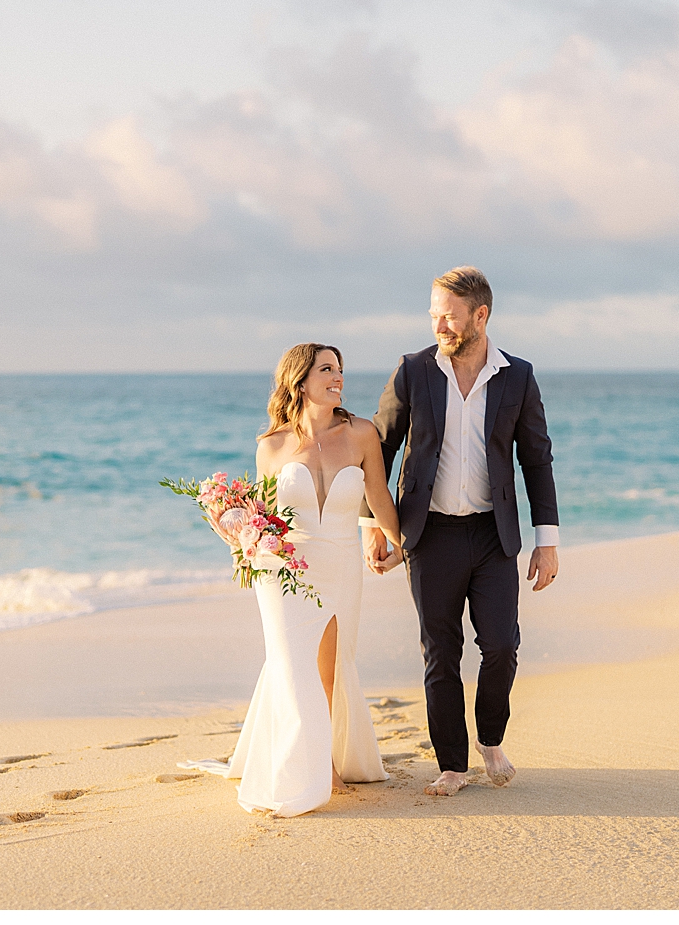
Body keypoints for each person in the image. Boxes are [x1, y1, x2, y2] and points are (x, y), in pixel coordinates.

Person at [361, 267, 560, 796]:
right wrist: (374, 527)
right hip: (432, 537)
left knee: (500, 646)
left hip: (494, 537)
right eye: (433, 315)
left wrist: (548, 540)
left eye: (448, 315)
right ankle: (451, 763)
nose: (438, 325)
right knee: (440, 651)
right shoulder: (413, 371)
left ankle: (490, 738)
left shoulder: (517, 376)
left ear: (481, 315)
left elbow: (536, 460)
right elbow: (377, 449)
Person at [224, 343, 405, 817]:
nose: (338, 376)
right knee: (290, 663)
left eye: (340, 369)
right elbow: (260, 517)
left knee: (328, 667)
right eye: (326, 369)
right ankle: (305, 770)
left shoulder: (362, 433)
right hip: (285, 570)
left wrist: (399, 542)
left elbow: (379, 493)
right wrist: (234, 530)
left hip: (342, 563)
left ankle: (324, 758)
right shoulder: (271, 446)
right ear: (299, 381)